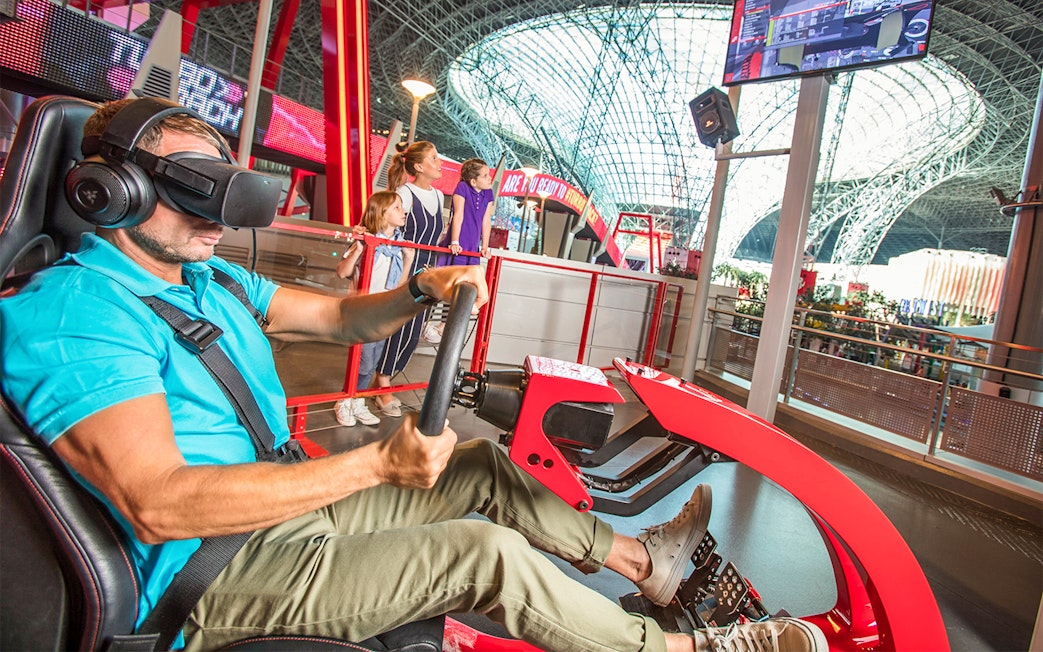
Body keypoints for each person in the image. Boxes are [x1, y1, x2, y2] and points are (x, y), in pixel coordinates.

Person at [0, 98, 827, 652]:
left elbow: (331, 317)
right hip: (213, 574)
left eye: (224, 196)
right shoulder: (76, 314)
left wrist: (419, 288)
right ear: (112, 191)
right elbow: (158, 504)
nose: (218, 219)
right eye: (195, 195)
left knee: (474, 464)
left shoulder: (204, 278)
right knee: (483, 554)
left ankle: (649, 566)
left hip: (287, 503)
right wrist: (372, 464)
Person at [371, 140, 447, 416]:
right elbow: (385, 218)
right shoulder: (405, 192)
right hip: (405, 268)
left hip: (429, 271)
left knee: (414, 333)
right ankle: (382, 385)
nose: (439, 163)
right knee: (399, 327)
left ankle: (382, 380)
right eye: (434, 158)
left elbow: (437, 234)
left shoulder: (439, 197)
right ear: (418, 166)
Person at [332, 191, 411, 427]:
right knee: (363, 360)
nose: (403, 211)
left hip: (383, 310)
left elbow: (398, 286)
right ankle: (345, 401)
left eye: (402, 207)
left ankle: (356, 402)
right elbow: (342, 272)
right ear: (382, 212)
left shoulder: (398, 246)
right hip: (363, 309)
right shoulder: (367, 240)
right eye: (397, 208)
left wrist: (408, 259)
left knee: (372, 360)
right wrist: (357, 248)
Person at [439, 157, 494, 266]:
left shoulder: (488, 193)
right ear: (473, 181)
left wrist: (484, 247)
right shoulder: (462, 187)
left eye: (488, 174)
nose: (490, 178)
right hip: (459, 241)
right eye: (485, 176)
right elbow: (458, 215)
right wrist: (454, 241)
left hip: (473, 245)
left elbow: (486, 220)